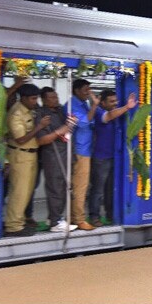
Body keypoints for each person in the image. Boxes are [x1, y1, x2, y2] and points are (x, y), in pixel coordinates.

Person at [4, 84, 50, 237]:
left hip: (31, 155)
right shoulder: (16, 113)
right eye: (32, 98)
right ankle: (13, 226)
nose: (35, 101)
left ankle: (20, 221)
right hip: (20, 155)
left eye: (36, 98)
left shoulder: (30, 110)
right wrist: (40, 127)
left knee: (27, 192)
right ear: (23, 98)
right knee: (19, 192)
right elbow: (21, 139)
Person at [89, 90, 137, 226]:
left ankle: (111, 215)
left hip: (113, 157)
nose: (115, 103)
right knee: (98, 190)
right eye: (111, 101)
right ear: (102, 103)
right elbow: (108, 116)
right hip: (101, 158)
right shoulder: (99, 112)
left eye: (116, 101)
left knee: (110, 189)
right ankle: (94, 217)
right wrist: (127, 107)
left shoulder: (116, 113)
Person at [36, 87, 78, 232]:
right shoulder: (41, 115)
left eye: (56, 96)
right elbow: (41, 140)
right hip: (52, 156)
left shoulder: (60, 110)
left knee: (64, 188)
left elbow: (66, 132)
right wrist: (60, 131)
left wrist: (70, 124)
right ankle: (55, 222)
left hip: (66, 153)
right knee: (55, 188)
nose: (56, 99)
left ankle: (54, 217)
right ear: (44, 99)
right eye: (52, 98)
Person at [67, 79, 97, 231]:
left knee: (80, 186)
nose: (88, 93)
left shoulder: (83, 104)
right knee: (80, 186)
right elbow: (85, 123)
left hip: (86, 149)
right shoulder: (72, 105)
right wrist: (95, 105)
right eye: (86, 90)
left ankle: (74, 216)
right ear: (76, 90)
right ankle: (78, 219)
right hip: (79, 151)